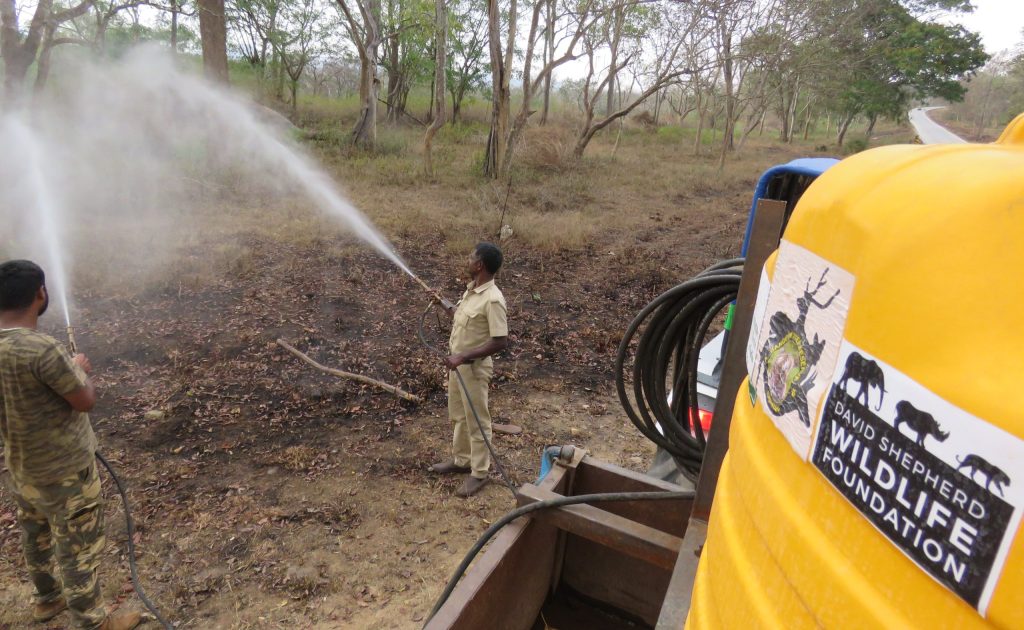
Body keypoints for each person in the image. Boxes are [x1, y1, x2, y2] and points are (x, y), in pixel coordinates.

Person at [0, 260, 142, 630]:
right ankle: (94, 622)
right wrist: (77, 367)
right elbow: (85, 401)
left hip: (20, 468)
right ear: (40, 294)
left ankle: (47, 600)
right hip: (65, 471)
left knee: (35, 536)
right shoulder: (43, 350)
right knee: (77, 544)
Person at [429, 244, 508, 497]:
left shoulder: (493, 299)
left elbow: (500, 341)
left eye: (471, 256)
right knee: (459, 416)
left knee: (477, 421)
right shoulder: (472, 291)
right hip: (458, 368)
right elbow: (460, 315)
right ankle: (461, 461)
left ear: (480, 265)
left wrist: (463, 356)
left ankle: (479, 473)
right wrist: (442, 303)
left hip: (473, 369)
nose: (468, 259)